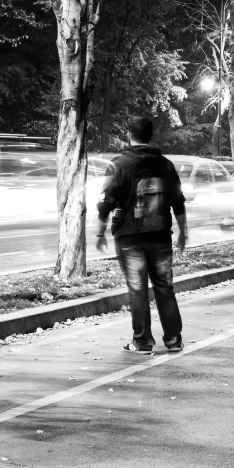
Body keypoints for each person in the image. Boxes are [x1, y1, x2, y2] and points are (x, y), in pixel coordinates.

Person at [95, 117, 188, 354]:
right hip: (161, 236)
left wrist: (100, 232)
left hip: (130, 238)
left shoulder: (119, 164)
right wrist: (183, 232)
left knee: (137, 291)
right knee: (164, 288)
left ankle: (143, 342)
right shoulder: (166, 165)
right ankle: (174, 340)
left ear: (129, 134)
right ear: (150, 136)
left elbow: (106, 200)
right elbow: (178, 201)